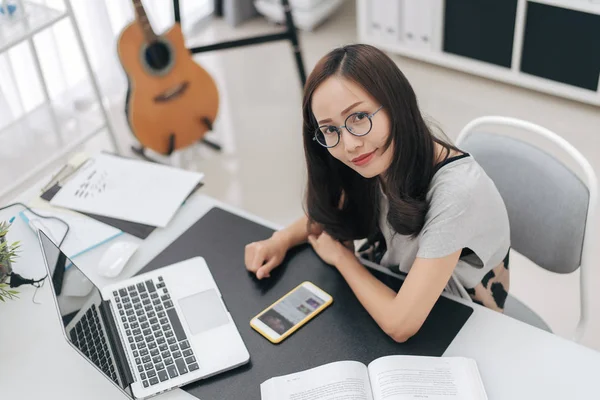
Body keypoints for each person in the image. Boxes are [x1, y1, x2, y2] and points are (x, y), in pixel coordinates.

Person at [244, 44, 510, 343]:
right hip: (395, 288)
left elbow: (400, 325)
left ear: (396, 104)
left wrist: (343, 259)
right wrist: (280, 240)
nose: (349, 145)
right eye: (330, 130)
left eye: (358, 116)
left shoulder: (458, 192)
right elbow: (335, 210)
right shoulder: (379, 154)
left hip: (457, 323)